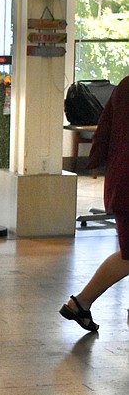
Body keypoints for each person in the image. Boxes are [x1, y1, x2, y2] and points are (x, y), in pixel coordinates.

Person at [60, 75, 129, 333]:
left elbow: (105, 131)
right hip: (126, 186)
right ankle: (80, 302)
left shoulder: (125, 86)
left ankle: (80, 304)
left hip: (122, 181)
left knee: (127, 254)